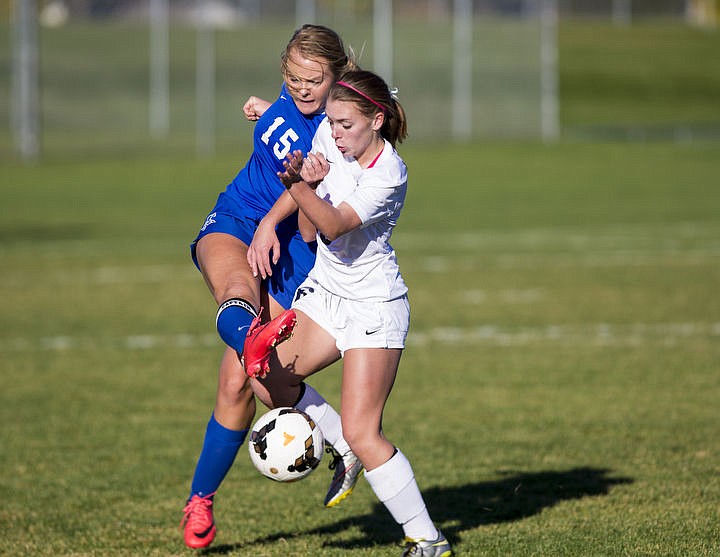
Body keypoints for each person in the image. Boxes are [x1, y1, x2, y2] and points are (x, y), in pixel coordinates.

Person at [246, 70, 453, 557]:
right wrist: (277, 218)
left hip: (373, 307)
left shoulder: (389, 173)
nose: (334, 133)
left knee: (366, 430)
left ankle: (428, 540)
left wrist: (300, 187)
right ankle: (342, 447)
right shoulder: (328, 136)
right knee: (263, 376)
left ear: (376, 120)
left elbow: (334, 226)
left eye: (344, 125)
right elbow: (312, 230)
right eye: (331, 124)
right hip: (326, 294)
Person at [181, 25, 361, 550]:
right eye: (293, 78)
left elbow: (307, 181)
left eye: (314, 81)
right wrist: (269, 109)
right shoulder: (290, 99)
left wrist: (271, 223)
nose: (303, 88)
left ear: (337, 77)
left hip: (291, 249)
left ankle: (342, 443)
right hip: (237, 214)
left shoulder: (337, 131)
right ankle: (200, 500)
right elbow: (285, 123)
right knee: (234, 287)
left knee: (251, 386)